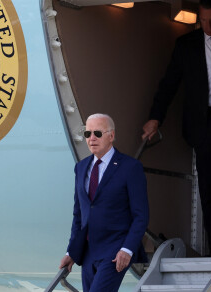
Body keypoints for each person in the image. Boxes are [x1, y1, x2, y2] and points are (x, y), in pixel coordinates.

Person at [142, 0, 211, 257]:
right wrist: (155, 118)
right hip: (203, 121)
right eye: (203, 21)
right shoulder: (185, 45)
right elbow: (169, 84)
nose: (208, 27)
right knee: (208, 183)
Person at [60, 113, 149, 292]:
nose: (92, 138)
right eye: (88, 134)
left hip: (115, 250)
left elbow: (141, 215)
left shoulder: (130, 167)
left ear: (111, 136)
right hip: (88, 252)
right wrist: (71, 251)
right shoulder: (81, 167)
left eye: (97, 133)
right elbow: (79, 214)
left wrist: (128, 249)